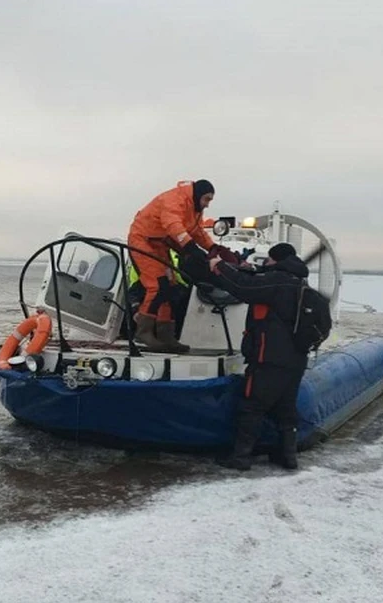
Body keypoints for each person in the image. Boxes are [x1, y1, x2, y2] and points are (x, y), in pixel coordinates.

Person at [205, 242, 310, 471]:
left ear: (275, 260)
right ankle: (288, 457)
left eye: (268, 261)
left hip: (268, 358)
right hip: (296, 359)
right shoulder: (299, 282)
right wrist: (243, 266)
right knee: (286, 408)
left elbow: (243, 287)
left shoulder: (276, 281)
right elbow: (256, 279)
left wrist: (220, 266)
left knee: (252, 406)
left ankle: (240, 457)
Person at [127, 180, 239, 353]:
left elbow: (197, 232)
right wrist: (191, 248)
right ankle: (144, 331)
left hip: (161, 242)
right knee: (158, 285)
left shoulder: (193, 210)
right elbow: (173, 225)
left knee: (170, 287)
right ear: (198, 195)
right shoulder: (174, 200)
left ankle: (166, 335)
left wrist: (212, 248)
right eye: (206, 199)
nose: (207, 204)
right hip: (143, 240)